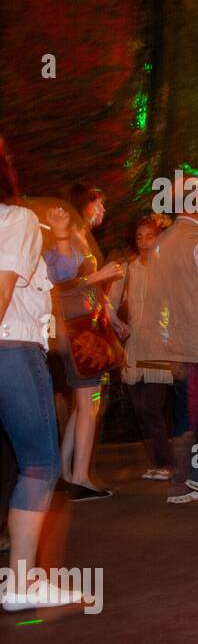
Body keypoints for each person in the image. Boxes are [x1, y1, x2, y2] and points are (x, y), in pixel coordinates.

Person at [0, 141, 83, 610]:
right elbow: (4, 293)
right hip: (10, 346)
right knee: (39, 463)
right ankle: (21, 582)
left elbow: (64, 270)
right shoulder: (14, 220)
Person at [140, 169, 198, 506]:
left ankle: (187, 481)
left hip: (178, 343)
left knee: (188, 413)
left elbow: (156, 300)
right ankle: (194, 478)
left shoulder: (163, 242)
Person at [41, 202, 121, 499]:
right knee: (89, 404)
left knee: (86, 403)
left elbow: (80, 285)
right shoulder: (62, 242)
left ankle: (66, 471)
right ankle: (80, 476)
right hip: (79, 334)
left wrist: (111, 317)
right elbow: (63, 280)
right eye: (96, 202)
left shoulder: (73, 241)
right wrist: (100, 275)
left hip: (85, 330)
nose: (102, 207)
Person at [109, 217, 174, 480]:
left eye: (149, 236)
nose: (144, 242)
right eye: (139, 237)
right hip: (134, 348)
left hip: (161, 347)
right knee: (141, 409)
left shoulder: (169, 269)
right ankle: (160, 462)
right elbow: (108, 304)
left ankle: (167, 463)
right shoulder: (126, 269)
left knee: (151, 406)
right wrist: (116, 323)